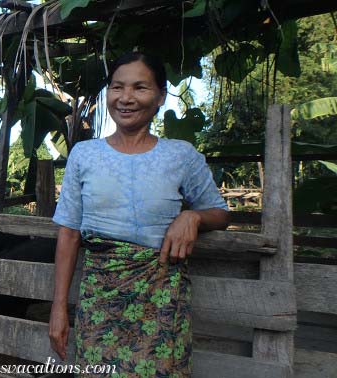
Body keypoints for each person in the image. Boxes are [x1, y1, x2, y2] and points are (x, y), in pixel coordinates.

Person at [48, 52, 229, 377]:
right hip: (99, 303)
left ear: (160, 96)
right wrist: (59, 308)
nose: (126, 98)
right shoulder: (84, 155)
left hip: (162, 303)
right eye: (117, 87)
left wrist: (193, 218)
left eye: (140, 88)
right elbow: (69, 233)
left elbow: (220, 212)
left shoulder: (181, 156)